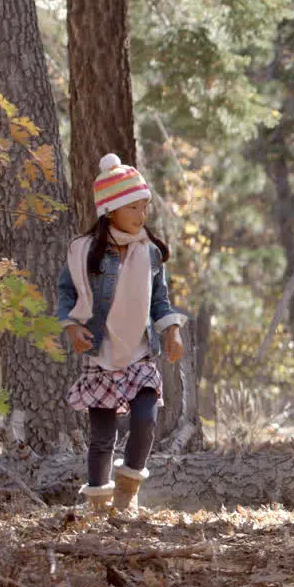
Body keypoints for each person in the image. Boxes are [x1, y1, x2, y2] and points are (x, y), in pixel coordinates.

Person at [57, 154, 187, 513]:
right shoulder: (84, 251)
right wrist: (71, 327)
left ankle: (129, 488)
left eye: (144, 207)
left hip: (139, 352)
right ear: (110, 209)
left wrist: (172, 331)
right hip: (101, 353)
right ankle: (99, 505)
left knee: (145, 419)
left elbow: (160, 299)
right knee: (102, 437)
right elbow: (66, 292)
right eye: (133, 207)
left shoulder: (149, 254)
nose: (141, 215)